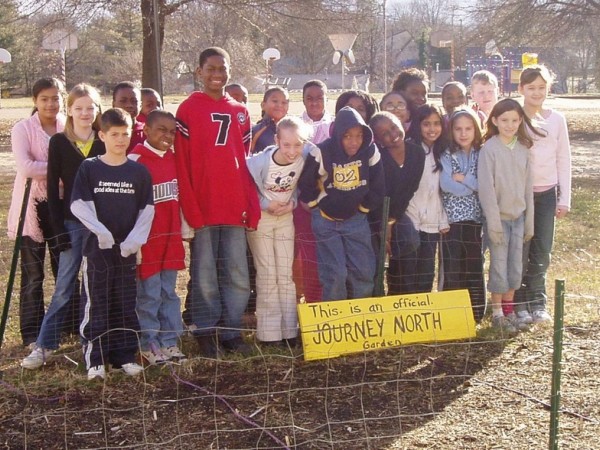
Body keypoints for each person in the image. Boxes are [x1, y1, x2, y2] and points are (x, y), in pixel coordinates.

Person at [174, 47, 260, 358]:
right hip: (203, 205)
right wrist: (190, 207)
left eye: (222, 68)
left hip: (234, 205)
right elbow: (181, 163)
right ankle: (206, 331)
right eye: (210, 68)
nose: (216, 75)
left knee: (237, 272)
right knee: (205, 273)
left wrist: (250, 204)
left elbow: (245, 162)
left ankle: (231, 330)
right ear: (199, 71)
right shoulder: (188, 109)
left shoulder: (240, 110)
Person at [21, 83, 105, 369]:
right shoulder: (59, 142)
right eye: (78, 108)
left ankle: (92, 342)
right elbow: (56, 191)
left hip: (100, 225)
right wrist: (58, 232)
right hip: (71, 224)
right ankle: (45, 344)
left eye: (90, 108)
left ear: (97, 110)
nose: (84, 113)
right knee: (65, 285)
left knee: (95, 285)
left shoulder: (104, 141)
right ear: (69, 110)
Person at [71, 108, 154, 380]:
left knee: (124, 302)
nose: (120, 140)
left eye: (125, 134)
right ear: (102, 135)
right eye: (114, 134)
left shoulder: (138, 172)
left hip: (126, 251)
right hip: (97, 251)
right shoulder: (90, 168)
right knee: (97, 302)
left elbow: (147, 211)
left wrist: (134, 240)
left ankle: (124, 356)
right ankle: (95, 359)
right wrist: (101, 233)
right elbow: (79, 205)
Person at [298, 106, 384, 301]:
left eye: (358, 135)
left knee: (363, 271)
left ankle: (360, 317)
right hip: (325, 221)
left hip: (356, 220)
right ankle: (336, 321)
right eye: (347, 136)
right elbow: (306, 182)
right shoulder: (322, 151)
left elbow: (378, 184)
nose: (354, 142)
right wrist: (314, 205)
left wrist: (363, 208)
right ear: (337, 134)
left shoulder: (370, 150)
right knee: (335, 274)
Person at [7, 77, 66, 347]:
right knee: (33, 276)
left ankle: (67, 326)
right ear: (35, 101)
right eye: (44, 98)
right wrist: (59, 169)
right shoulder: (23, 129)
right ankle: (31, 333)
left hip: (60, 207)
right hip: (30, 210)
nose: (50, 103)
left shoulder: (67, 126)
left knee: (64, 270)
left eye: (55, 98)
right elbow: (27, 167)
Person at [247, 117, 314, 346]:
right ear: (277, 140)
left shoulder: (305, 156)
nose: (292, 151)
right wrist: (265, 205)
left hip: (286, 218)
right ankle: (269, 334)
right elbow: (247, 188)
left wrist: (293, 204)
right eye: (286, 145)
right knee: (267, 274)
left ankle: (289, 331)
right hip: (263, 219)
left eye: (298, 145)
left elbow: (297, 187)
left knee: (285, 275)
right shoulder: (258, 163)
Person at [128, 110, 187, 365]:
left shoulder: (175, 159)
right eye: (161, 129)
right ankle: (149, 343)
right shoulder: (135, 161)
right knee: (149, 294)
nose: (168, 135)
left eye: (172, 131)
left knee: (170, 292)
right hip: (148, 243)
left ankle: (170, 342)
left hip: (171, 239)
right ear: (147, 131)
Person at [514, 65, 572, 324]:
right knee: (521, 248)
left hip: (547, 194)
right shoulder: (514, 117)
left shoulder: (556, 119)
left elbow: (564, 159)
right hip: (520, 195)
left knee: (542, 249)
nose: (536, 92)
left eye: (541, 87)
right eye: (531, 88)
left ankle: (538, 302)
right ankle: (519, 302)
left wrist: (564, 198)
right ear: (521, 89)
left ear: (548, 88)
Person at [478, 98, 539, 333]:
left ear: (521, 120)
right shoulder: (489, 150)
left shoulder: (523, 149)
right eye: (504, 120)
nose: (510, 125)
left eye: (515, 120)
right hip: (499, 220)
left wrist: (529, 222)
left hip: (519, 218)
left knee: (515, 267)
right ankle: (496, 313)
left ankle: (509, 309)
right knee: (499, 266)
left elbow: (527, 188)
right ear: (494, 120)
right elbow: (487, 190)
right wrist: (493, 224)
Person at [369, 112, 425, 295]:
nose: (393, 134)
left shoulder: (416, 152)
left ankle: (400, 294)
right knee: (375, 259)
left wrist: (391, 223)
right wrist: (383, 227)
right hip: (374, 215)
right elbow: (378, 195)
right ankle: (377, 297)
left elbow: (409, 190)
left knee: (409, 241)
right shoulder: (378, 159)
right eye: (385, 133)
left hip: (397, 212)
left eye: (393, 127)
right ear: (378, 140)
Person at [439, 108, 486, 322]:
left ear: (476, 130)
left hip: (475, 220)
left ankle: (475, 312)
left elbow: (484, 185)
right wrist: (471, 185)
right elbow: (447, 185)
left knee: (474, 265)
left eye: (468, 128)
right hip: (452, 221)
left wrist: (464, 179)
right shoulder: (447, 154)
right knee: (453, 266)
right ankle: (452, 316)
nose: (463, 133)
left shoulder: (481, 154)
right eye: (458, 129)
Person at [405, 105, 450, 293]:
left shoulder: (444, 152)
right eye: (426, 124)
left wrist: (443, 219)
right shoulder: (410, 149)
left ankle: (422, 312)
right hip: (410, 218)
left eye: (436, 123)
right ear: (418, 125)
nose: (432, 129)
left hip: (433, 221)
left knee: (426, 270)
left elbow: (443, 192)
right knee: (408, 269)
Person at [294, 80, 332, 303]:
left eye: (319, 97)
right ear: (303, 99)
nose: (315, 102)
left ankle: (329, 302)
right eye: (310, 98)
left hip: (330, 200)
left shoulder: (336, 125)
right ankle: (310, 301)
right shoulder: (296, 126)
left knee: (328, 254)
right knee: (306, 256)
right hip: (303, 200)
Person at [251, 86, 289, 154]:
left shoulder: (294, 128)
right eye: (275, 101)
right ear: (263, 105)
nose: (279, 105)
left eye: (284, 102)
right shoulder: (256, 130)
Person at [112, 81, 144, 153]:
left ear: (141, 105)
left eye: (134, 101)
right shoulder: (106, 132)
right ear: (113, 104)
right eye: (123, 101)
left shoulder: (146, 132)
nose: (129, 105)